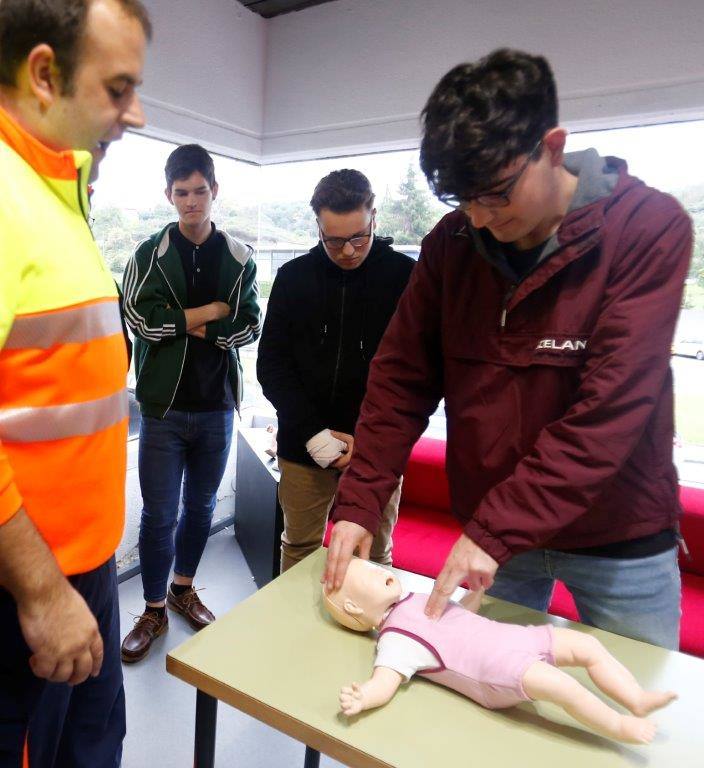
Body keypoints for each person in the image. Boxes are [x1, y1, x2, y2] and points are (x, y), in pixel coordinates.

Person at [324, 49, 693, 651]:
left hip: (618, 535)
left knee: (632, 720)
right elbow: (400, 378)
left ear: (552, 145)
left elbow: (609, 415)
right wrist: (361, 500)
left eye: (495, 194)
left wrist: (495, 531)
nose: (480, 217)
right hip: (497, 533)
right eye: (463, 200)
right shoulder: (454, 243)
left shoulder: (649, 229)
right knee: (487, 703)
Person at [0, 0, 150, 764]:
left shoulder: (58, 195)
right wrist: (38, 591)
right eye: (119, 88)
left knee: (92, 749)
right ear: (44, 75)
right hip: (24, 592)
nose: (138, 112)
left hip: (83, 570)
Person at [121, 144, 261, 662]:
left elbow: (248, 323)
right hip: (162, 407)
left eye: (200, 191)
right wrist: (208, 313)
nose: (191, 202)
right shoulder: (146, 256)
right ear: (169, 195)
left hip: (217, 406)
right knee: (159, 515)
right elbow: (141, 322)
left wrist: (186, 323)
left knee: (200, 507)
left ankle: (183, 588)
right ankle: (153, 607)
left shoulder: (239, 257)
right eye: (181, 193)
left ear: (214, 191)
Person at [325, 559, 676, 744]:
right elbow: (385, 680)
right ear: (356, 608)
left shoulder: (415, 598)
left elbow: (457, 618)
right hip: (495, 670)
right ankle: (618, 725)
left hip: (511, 638)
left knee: (587, 645)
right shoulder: (396, 638)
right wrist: (364, 696)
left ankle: (635, 697)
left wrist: (474, 594)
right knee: (563, 687)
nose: (379, 568)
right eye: (368, 574)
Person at [257, 169, 415, 572]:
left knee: (374, 556)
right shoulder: (293, 278)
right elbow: (272, 366)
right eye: (334, 240)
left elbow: (414, 374)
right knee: (298, 547)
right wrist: (316, 435)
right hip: (303, 444)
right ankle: (294, 634)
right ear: (318, 227)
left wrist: (371, 439)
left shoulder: (405, 278)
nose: (347, 251)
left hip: (376, 451)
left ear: (374, 218)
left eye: (358, 237)